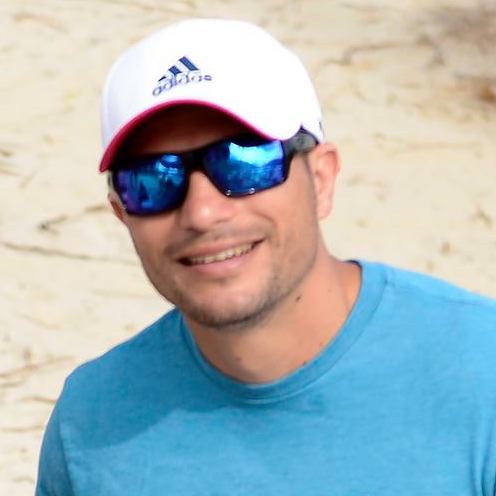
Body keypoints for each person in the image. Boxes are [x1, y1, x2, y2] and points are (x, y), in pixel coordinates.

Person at [36, 18, 496, 495]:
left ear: (321, 179)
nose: (202, 212)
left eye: (244, 160)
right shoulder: (92, 425)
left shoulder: (482, 375)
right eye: (153, 179)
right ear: (121, 213)